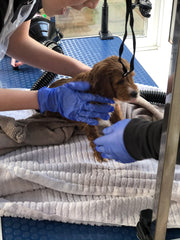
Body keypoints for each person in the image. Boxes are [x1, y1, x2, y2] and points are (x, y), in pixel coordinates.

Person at [0, 0, 114, 126]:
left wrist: (83, 72)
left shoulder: (31, 2)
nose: (92, 5)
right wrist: (48, 99)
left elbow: (16, 42)